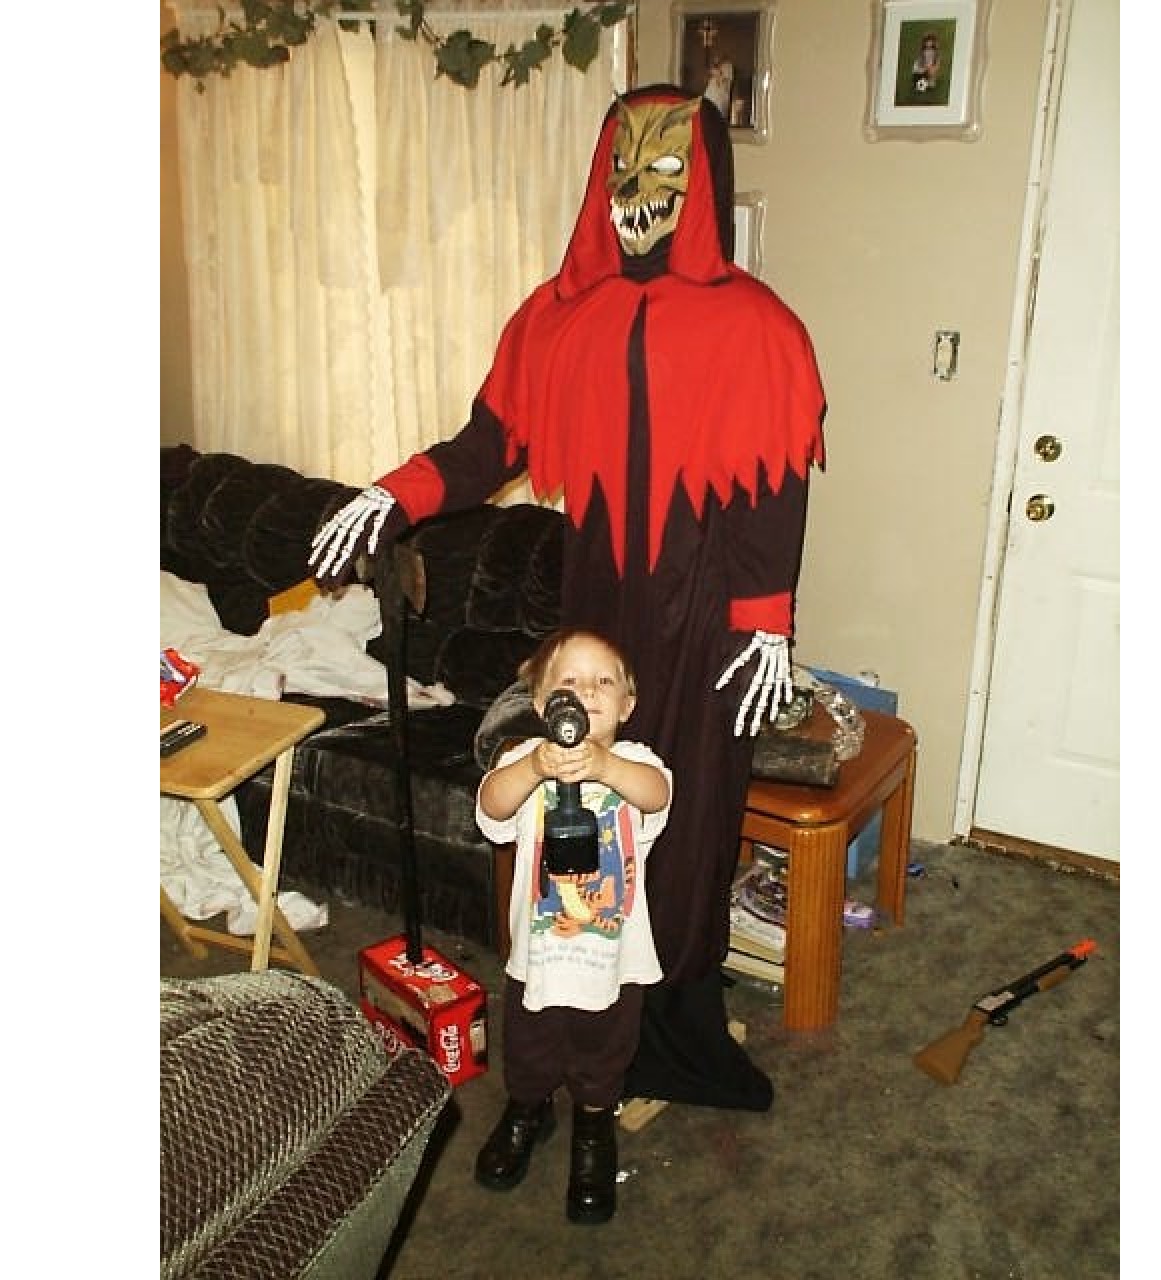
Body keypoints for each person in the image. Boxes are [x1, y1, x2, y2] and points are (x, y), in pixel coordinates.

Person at [310, 85, 826, 1112]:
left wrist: (765, 621)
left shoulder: (756, 325)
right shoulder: (555, 317)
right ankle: (585, 1020)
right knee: (581, 806)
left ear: (703, 181)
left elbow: (774, 484)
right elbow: (486, 445)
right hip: (597, 623)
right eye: (621, 171)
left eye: (664, 170)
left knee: (690, 817)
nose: (639, 195)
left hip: (711, 624)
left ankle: (673, 1024)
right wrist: (392, 494)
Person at [473, 627, 672, 1225]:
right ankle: (526, 1109)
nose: (586, 691)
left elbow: (657, 796)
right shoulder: (523, 762)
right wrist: (533, 766)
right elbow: (491, 807)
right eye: (570, 681)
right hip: (539, 954)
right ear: (541, 704)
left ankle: (593, 1127)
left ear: (627, 706)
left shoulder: (635, 765)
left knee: (603, 1051)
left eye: (603, 681)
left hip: (614, 959)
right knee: (528, 1044)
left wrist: (605, 766)